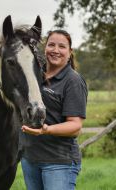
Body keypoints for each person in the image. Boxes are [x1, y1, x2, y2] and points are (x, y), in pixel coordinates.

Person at [19, 29, 88, 190]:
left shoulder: (73, 81)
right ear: (45, 48)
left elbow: (75, 126)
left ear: (70, 52)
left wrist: (46, 130)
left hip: (59, 162)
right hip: (30, 158)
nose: (56, 50)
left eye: (62, 46)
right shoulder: (34, 75)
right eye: (51, 45)